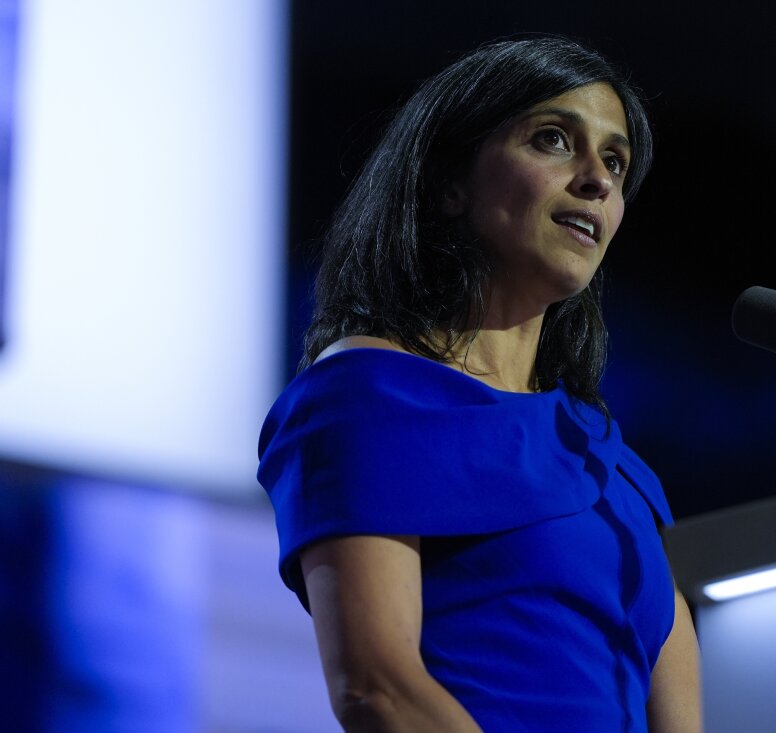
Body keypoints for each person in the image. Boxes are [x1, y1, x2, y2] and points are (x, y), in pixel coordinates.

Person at [257, 36, 701, 732]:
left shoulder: (612, 464)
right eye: (554, 140)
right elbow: (380, 689)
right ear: (449, 183)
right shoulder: (369, 397)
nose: (597, 179)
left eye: (615, 160)